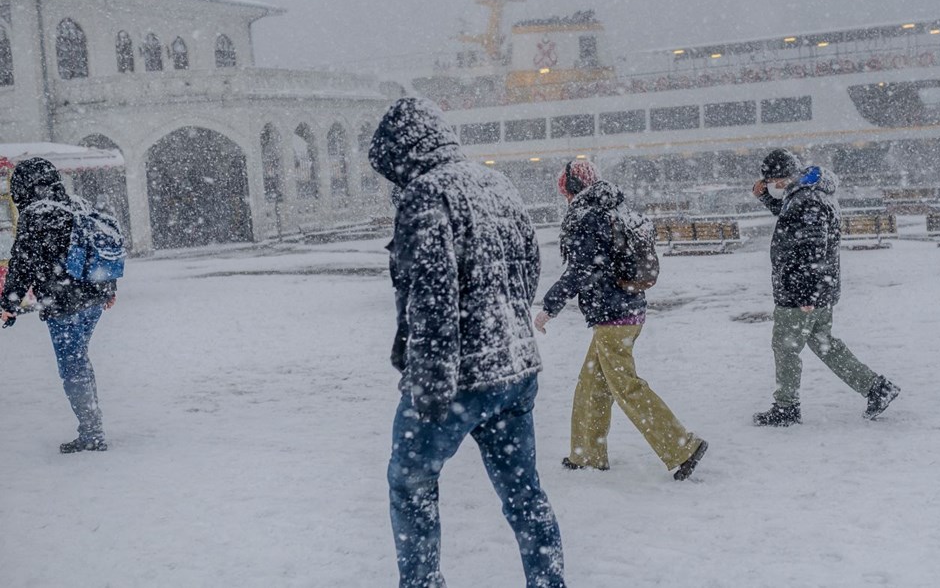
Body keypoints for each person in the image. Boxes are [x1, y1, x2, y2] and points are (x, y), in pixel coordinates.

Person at [369, 98, 565, 588]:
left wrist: (430, 391)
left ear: (403, 154)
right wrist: (507, 327)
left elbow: (432, 298)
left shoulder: (425, 195)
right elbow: (529, 270)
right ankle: (548, 582)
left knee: (409, 484)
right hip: (516, 369)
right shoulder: (497, 183)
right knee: (524, 494)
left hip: (456, 378)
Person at [534, 160, 708, 482]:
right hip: (627, 309)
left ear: (572, 190)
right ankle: (586, 454)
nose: (567, 200)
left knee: (626, 387)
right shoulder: (615, 207)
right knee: (592, 384)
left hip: (614, 316)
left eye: (566, 193)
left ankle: (683, 447)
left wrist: (549, 307)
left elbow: (582, 270)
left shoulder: (589, 215)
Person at [751, 149, 900, 425]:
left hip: (800, 291)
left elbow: (811, 249)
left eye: (771, 180)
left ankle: (786, 407)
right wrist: (763, 197)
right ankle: (876, 388)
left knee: (785, 347)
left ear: (782, 178)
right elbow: (791, 219)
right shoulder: (809, 193)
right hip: (819, 287)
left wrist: (806, 293)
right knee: (825, 344)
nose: (771, 185)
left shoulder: (806, 200)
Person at [0, 158, 117, 453]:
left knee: (72, 365)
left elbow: (22, 265)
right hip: (92, 298)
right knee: (78, 357)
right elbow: (99, 243)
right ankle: (92, 424)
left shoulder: (35, 215)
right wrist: (109, 286)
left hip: (62, 304)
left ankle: (91, 431)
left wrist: (9, 302)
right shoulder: (76, 204)